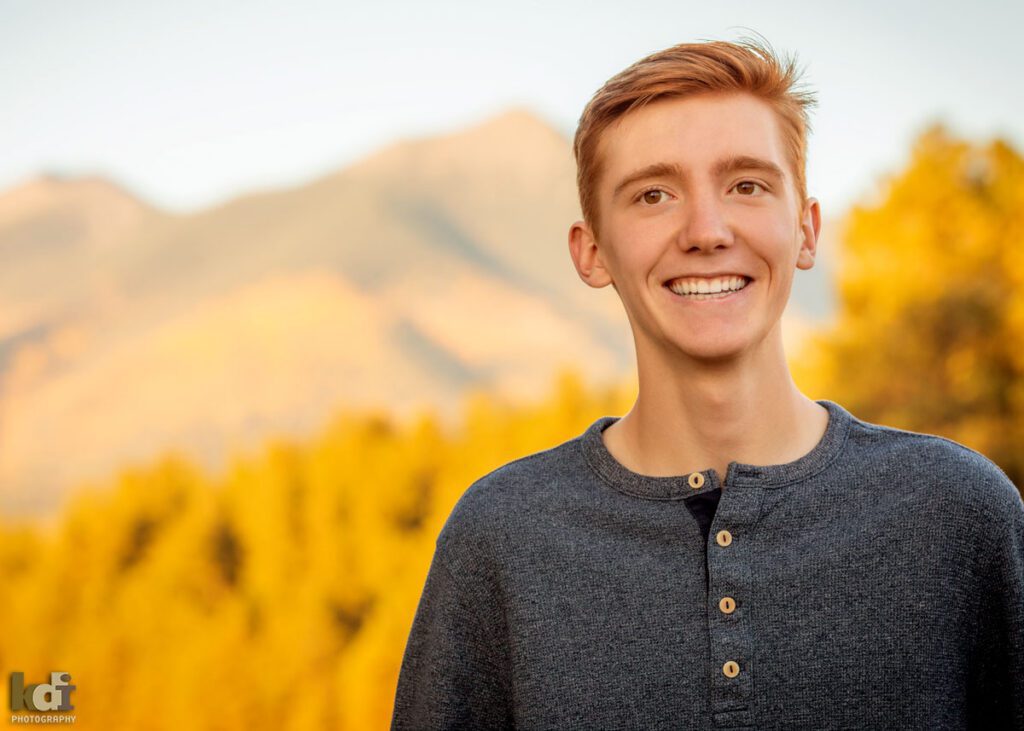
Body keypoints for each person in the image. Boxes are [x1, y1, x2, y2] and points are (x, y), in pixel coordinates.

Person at [390, 37, 1024, 730]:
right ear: (592, 251)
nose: (706, 230)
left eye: (746, 184)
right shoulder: (500, 538)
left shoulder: (961, 515)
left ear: (807, 230)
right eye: (654, 194)